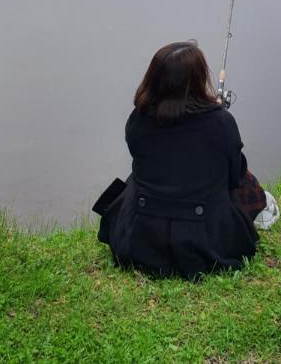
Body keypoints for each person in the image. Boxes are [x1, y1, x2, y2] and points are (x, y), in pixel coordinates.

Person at [93, 41, 271, 279]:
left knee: (135, 179)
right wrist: (217, 112)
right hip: (206, 242)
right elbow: (235, 174)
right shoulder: (221, 123)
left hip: (141, 239)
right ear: (198, 79)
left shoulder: (137, 120)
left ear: (154, 79)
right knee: (248, 184)